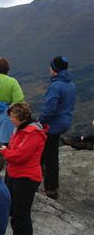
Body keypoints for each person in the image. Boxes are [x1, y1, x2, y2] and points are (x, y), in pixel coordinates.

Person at [0, 102, 47, 235]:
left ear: (20, 117)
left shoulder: (33, 132)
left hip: (26, 177)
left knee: (22, 213)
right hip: (15, 174)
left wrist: (5, 151)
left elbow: (20, 156)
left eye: (12, 117)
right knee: (14, 211)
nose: (11, 120)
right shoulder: (20, 130)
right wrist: (9, 150)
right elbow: (14, 150)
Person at [39, 56, 76, 199]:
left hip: (52, 125)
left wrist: (40, 123)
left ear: (54, 69)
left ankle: (50, 188)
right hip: (64, 122)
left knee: (49, 156)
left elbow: (49, 109)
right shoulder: (70, 83)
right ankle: (45, 185)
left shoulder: (56, 86)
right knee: (47, 154)